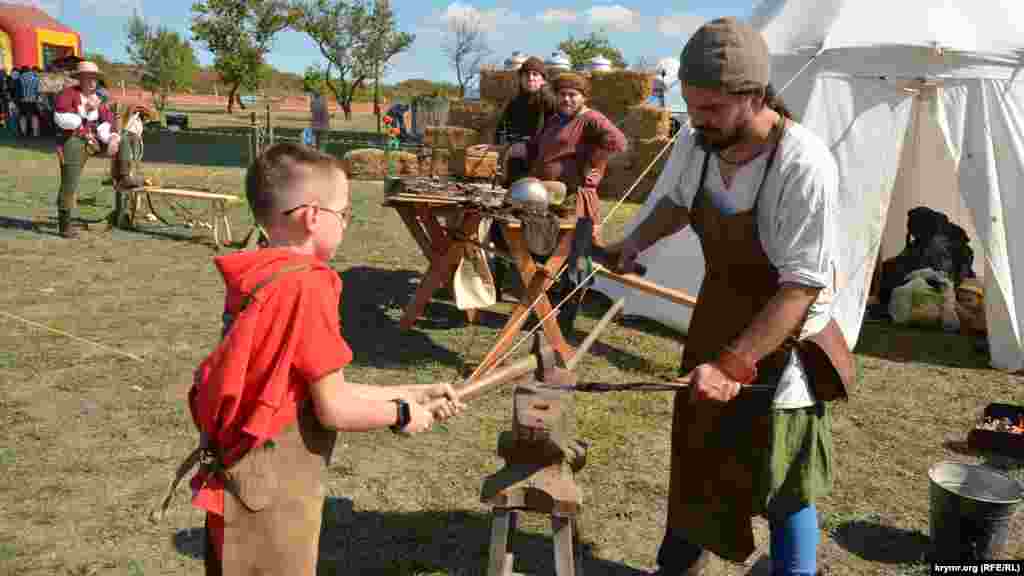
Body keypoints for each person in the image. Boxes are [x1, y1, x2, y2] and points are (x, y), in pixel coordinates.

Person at [604, 17, 853, 576]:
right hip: (716, 322)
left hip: (786, 345)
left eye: (712, 110)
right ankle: (679, 566)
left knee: (783, 477)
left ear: (755, 95)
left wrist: (735, 364)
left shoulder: (802, 164)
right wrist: (632, 242)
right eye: (692, 107)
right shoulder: (700, 143)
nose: (698, 121)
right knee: (697, 458)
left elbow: (801, 286)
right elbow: (679, 203)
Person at [181, 142, 464, 575]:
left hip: (242, 474)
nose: (346, 224)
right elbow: (333, 408)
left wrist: (412, 390)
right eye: (344, 213)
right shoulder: (310, 286)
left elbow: (315, 389)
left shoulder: (262, 274)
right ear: (314, 216)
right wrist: (403, 413)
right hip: (272, 490)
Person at [509, 71, 627, 337]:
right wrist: (516, 149)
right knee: (545, 255)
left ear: (583, 97)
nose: (567, 99)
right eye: (562, 94)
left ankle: (565, 319)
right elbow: (538, 147)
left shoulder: (590, 119)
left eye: (573, 95)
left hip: (576, 200)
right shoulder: (555, 120)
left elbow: (618, 142)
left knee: (576, 260)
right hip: (548, 197)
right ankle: (542, 312)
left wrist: (596, 161)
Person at [490, 56, 558, 302]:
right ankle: (498, 282)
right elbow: (500, 131)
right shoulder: (514, 102)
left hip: (536, 175)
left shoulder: (550, 102)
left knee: (532, 227)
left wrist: (527, 148)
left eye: (536, 75)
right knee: (501, 225)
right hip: (512, 171)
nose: (531, 78)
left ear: (543, 79)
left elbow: (554, 138)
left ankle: (527, 284)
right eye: (527, 75)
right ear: (520, 78)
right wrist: (500, 148)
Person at [52, 60, 119, 238]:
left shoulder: (99, 98)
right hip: (73, 140)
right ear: (79, 79)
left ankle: (125, 177)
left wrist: (112, 137)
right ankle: (64, 224)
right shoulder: (67, 94)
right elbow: (61, 119)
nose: (91, 82)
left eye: (94, 78)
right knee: (70, 181)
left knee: (125, 140)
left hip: (95, 140)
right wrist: (86, 109)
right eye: (87, 78)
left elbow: (107, 121)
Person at [17, 65, 40, 138]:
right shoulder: (35, 78)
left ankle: (24, 132)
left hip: (23, 100)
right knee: (34, 116)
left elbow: (18, 89)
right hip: (33, 99)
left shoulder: (19, 78)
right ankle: (35, 133)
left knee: (23, 116)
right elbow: (38, 90)